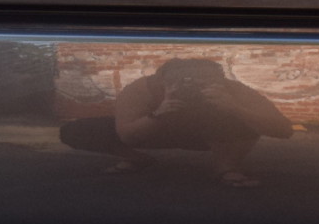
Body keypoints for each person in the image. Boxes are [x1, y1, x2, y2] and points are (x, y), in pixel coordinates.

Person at [59, 58, 292, 186]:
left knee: (240, 117)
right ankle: (137, 159)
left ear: (220, 80)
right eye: (181, 81)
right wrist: (158, 113)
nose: (190, 87)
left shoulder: (234, 90)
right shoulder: (141, 90)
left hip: (207, 133)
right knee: (76, 130)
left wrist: (235, 108)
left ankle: (226, 167)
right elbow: (127, 135)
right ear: (161, 80)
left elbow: (284, 130)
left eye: (202, 82)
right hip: (157, 129)